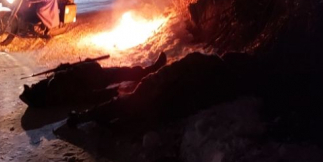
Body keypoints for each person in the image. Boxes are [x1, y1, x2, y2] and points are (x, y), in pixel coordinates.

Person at [66, 52, 258, 127]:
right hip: (167, 103)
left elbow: (172, 73)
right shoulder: (222, 87)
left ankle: (85, 118)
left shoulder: (203, 63)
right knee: (125, 107)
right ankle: (92, 118)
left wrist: (151, 82)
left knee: (124, 105)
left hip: (160, 96)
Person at [20, 52, 168, 108]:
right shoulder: (56, 88)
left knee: (122, 72)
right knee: (123, 73)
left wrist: (70, 66)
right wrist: (108, 94)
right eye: (33, 87)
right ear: (37, 93)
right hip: (96, 78)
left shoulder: (51, 85)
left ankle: (148, 70)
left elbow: (66, 71)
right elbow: (83, 96)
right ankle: (151, 70)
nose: (35, 84)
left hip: (93, 73)